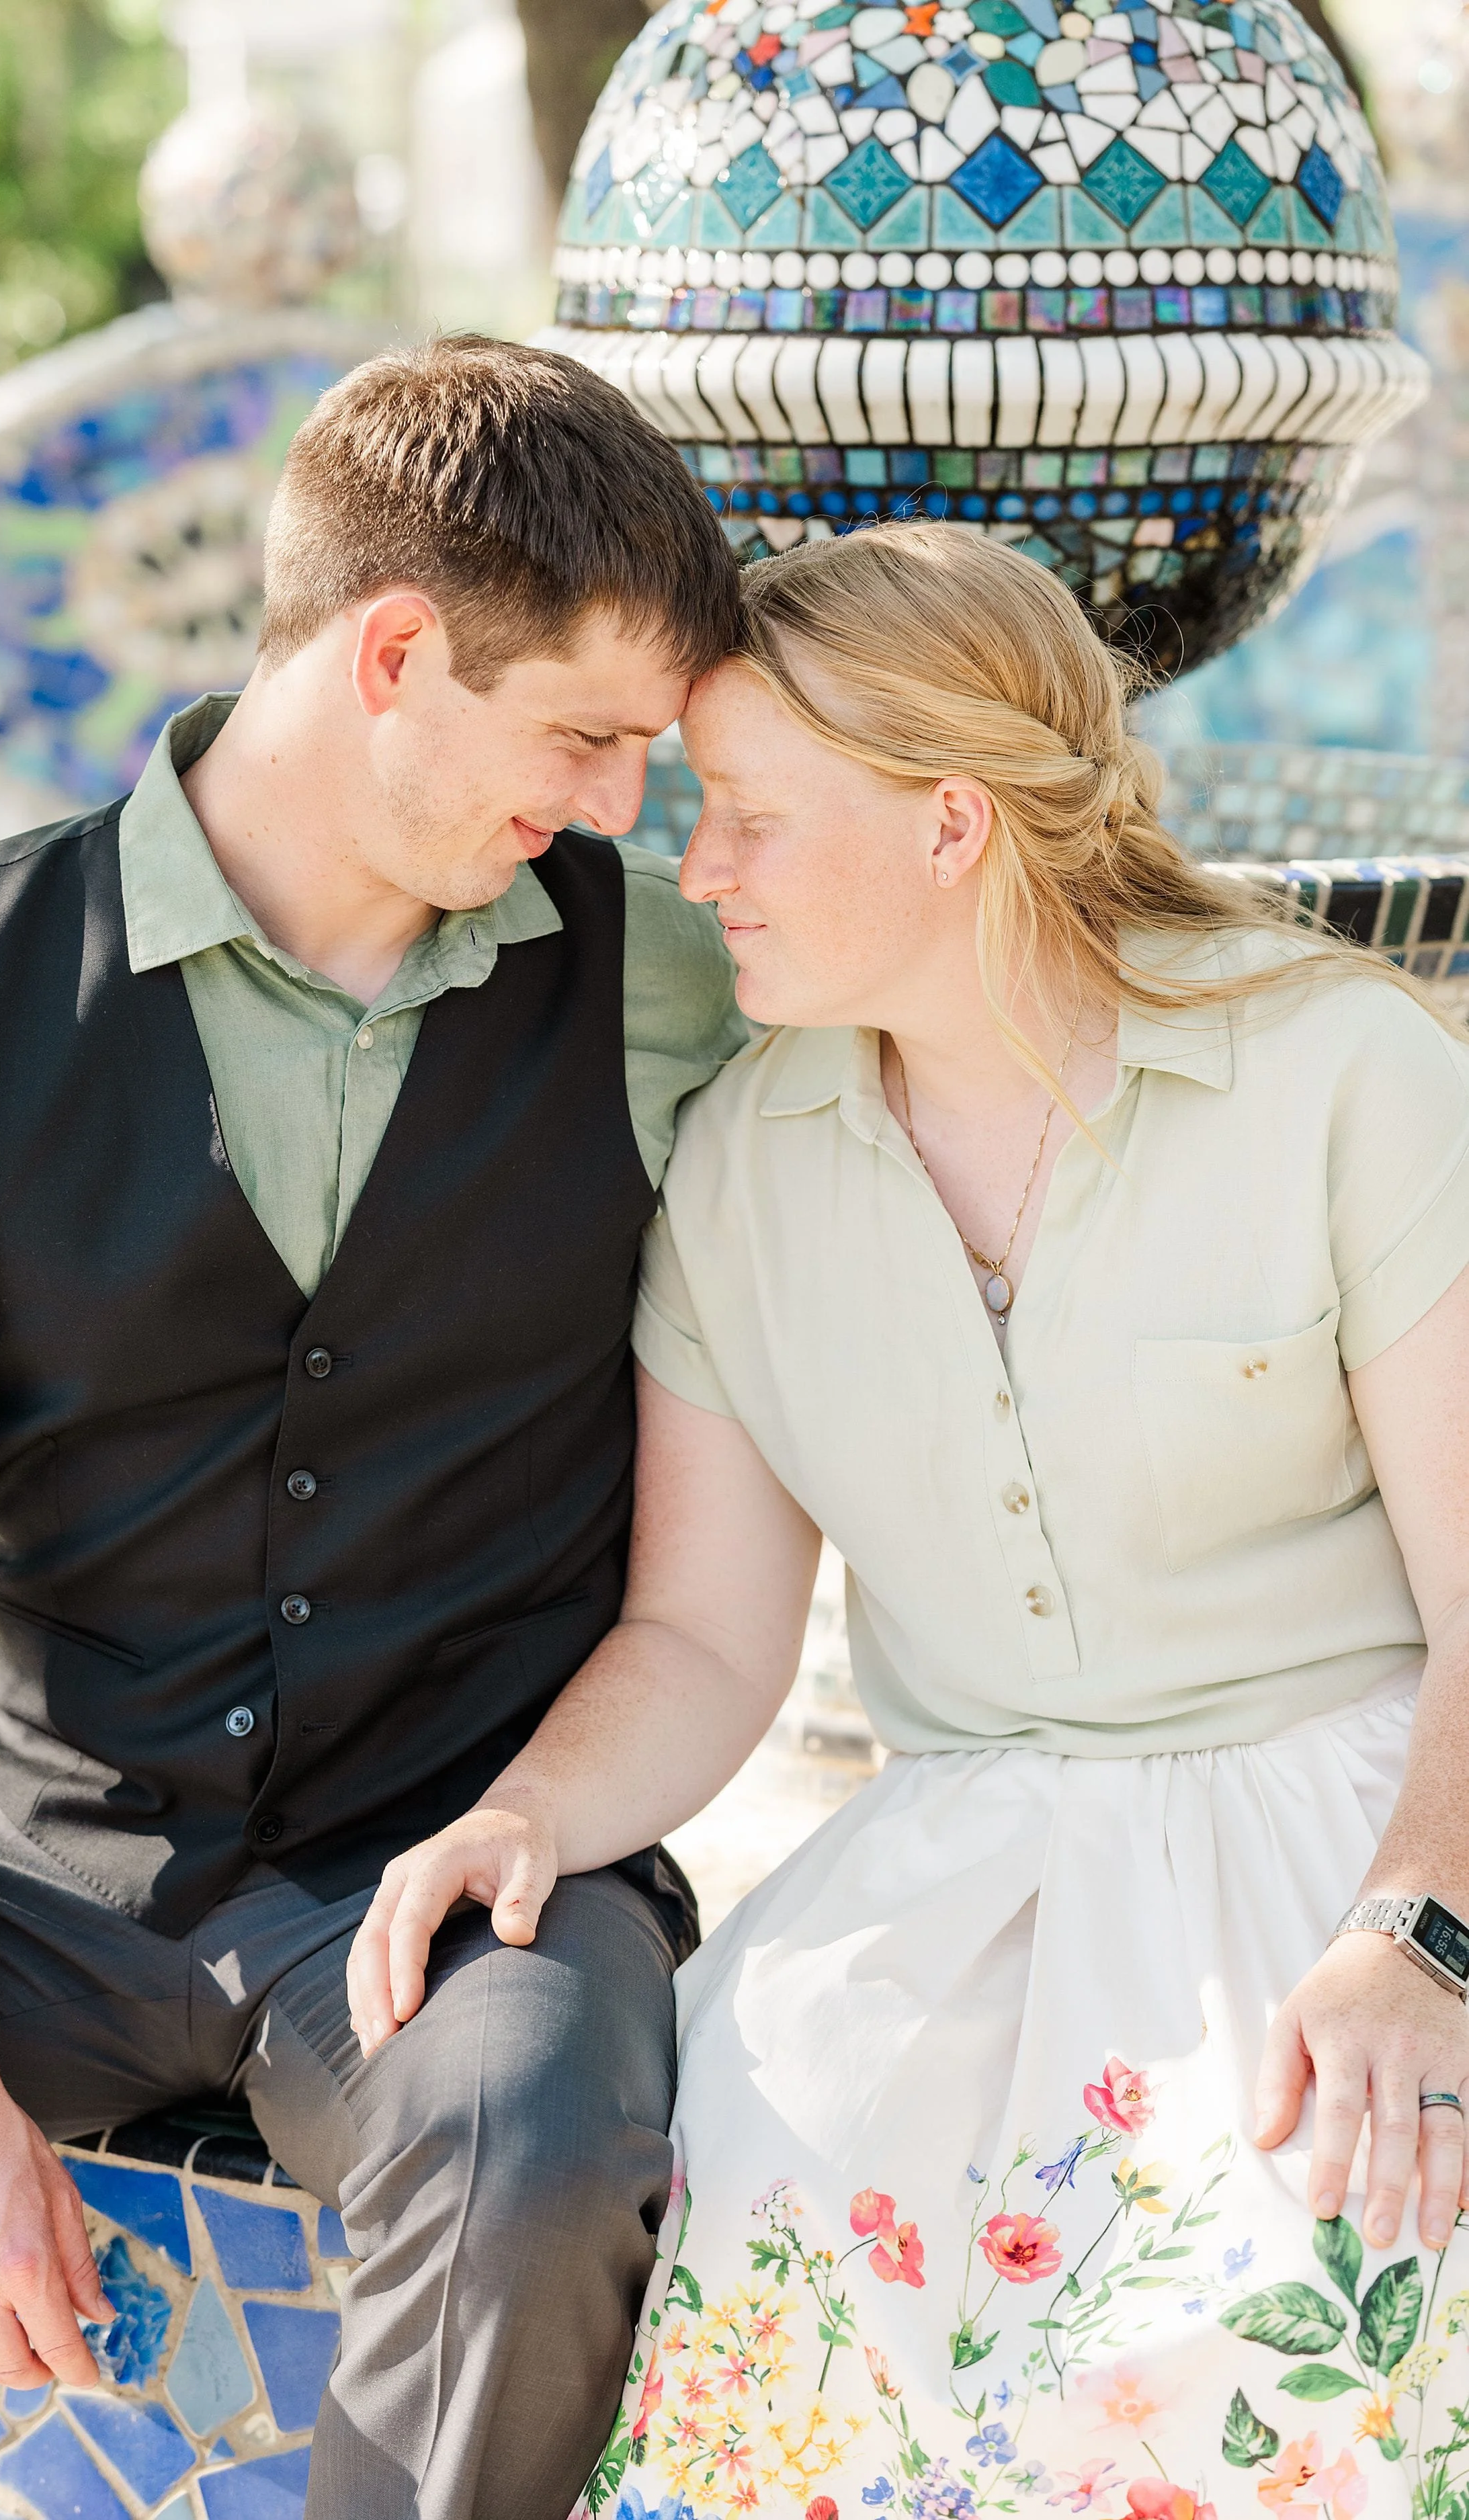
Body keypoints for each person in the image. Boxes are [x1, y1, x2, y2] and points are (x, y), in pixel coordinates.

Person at [349, 521, 1469, 2520]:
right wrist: (525, 1812)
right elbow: (703, 1640)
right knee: (784, 2290)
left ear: (952, 824)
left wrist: (1418, 1937)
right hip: (962, 1872)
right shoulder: (739, 1166)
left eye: (750, 818)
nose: (694, 871)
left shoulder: (1339, 1071)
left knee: (1320, 2291)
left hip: (1362, 1841)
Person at [0, 336, 749, 2520]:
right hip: (54, 1856)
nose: (619, 804)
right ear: (395, 651)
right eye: (586, 736)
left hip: (472, 1864)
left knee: (526, 2162)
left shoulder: (669, 986)